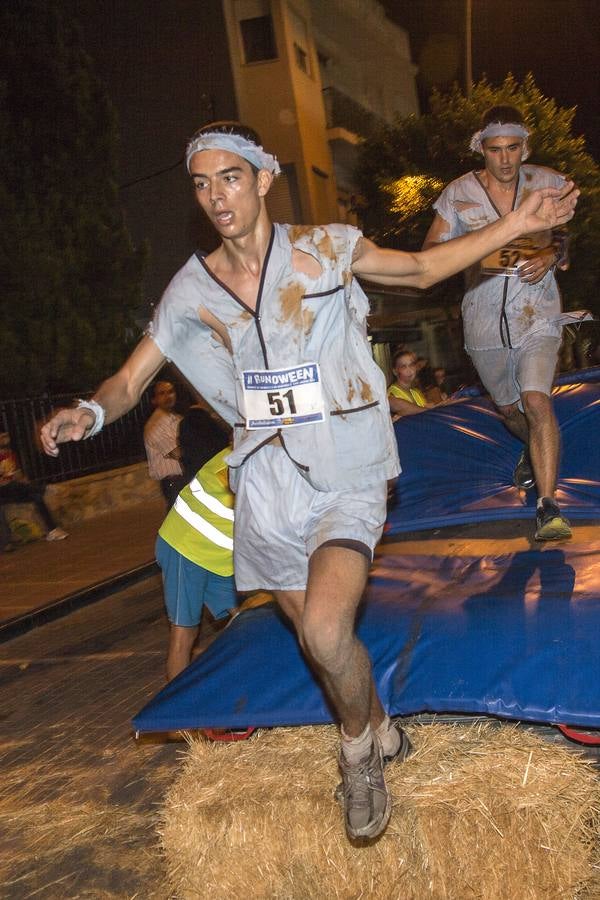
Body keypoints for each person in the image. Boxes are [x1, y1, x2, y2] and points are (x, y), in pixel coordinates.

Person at [40, 121, 578, 841]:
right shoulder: (191, 288)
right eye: (201, 184)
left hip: (347, 465)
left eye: (229, 177)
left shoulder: (327, 248)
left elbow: (420, 270)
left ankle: (357, 752)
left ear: (263, 179)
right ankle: (379, 727)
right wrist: (88, 409)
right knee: (316, 640)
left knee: (327, 631)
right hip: (263, 483)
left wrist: (517, 221)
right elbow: (130, 379)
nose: (215, 196)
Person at [423, 105, 575, 541]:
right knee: (510, 409)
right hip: (483, 320)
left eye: (513, 149)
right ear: (481, 150)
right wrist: (482, 246)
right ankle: (530, 447)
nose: (505, 159)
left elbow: (566, 234)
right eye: (495, 150)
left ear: (524, 147)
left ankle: (548, 507)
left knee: (536, 400)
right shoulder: (458, 194)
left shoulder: (547, 182)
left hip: (537, 314)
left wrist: (551, 253)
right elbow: (432, 248)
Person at [156, 446, 237, 681]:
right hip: (186, 548)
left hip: (219, 556)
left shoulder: (257, 448)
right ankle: (177, 710)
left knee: (247, 618)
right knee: (185, 633)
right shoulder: (240, 459)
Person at [0, 431, 67, 550]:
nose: (6, 440)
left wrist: (21, 479)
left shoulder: (9, 455)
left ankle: (52, 530)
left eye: (6, 437)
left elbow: (17, 475)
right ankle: (44, 488)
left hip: (11, 489)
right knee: (12, 487)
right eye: (2, 437)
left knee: (36, 496)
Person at [143, 380, 187, 508]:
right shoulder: (155, 426)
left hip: (183, 480)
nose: (168, 396)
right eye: (162, 393)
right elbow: (179, 453)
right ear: (154, 400)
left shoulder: (177, 418)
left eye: (170, 392)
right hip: (174, 483)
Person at [387, 349, 434, 419]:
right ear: (395, 371)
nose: (409, 370)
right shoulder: (391, 394)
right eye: (403, 366)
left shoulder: (416, 392)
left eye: (411, 365)